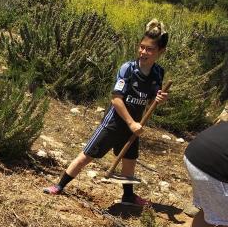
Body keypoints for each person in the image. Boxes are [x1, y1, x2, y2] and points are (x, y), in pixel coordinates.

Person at [43, 19, 170, 206]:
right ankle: (60, 186)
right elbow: (116, 99)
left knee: (130, 160)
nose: (143, 52)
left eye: (149, 49)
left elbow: (151, 98)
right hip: (115, 122)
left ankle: (128, 196)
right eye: (142, 47)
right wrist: (130, 123)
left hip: (134, 124)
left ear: (160, 52)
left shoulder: (158, 72)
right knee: (87, 155)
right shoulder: (128, 68)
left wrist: (158, 99)